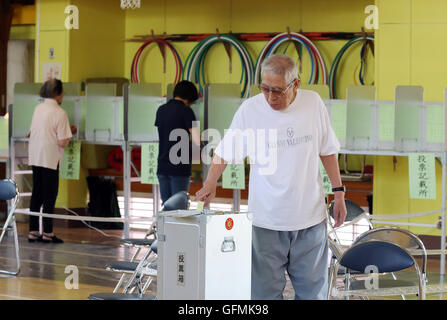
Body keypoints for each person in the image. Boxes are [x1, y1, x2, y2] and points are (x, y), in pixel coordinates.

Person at [194, 54, 347, 300]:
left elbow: (327, 150)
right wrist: (211, 182)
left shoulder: (313, 103)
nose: (270, 97)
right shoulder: (251, 110)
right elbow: (224, 151)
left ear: (295, 84)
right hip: (266, 222)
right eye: (265, 89)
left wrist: (339, 193)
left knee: (314, 294)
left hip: (310, 220)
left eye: (277, 91)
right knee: (263, 296)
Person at [27, 79, 77, 244]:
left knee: (37, 194)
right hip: (50, 157)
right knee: (49, 196)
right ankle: (48, 232)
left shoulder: (37, 108)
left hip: (36, 155)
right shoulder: (60, 112)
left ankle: (33, 231)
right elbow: (63, 141)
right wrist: (72, 130)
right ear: (58, 93)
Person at [155, 80, 200, 205]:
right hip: (179, 167)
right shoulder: (187, 111)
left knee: (166, 208)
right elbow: (197, 139)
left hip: (162, 166)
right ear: (189, 98)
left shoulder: (161, 110)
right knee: (179, 209)